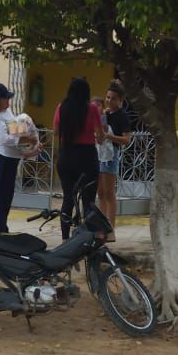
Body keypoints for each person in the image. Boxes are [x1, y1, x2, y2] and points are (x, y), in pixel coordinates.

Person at [53, 77, 104, 239]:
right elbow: (100, 135)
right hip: (87, 157)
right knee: (88, 201)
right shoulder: (93, 109)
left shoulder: (61, 108)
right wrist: (100, 137)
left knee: (68, 199)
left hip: (66, 155)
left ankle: (65, 239)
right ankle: (88, 238)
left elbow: (55, 131)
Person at [0, 82, 35, 233]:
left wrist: (27, 137)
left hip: (12, 159)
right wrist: (24, 139)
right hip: (2, 159)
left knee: (8, 196)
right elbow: (5, 139)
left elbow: (15, 131)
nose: (8, 101)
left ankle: (2, 227)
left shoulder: (7, 113)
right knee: (1, 196)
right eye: (5, 98)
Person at [96, 80, 131, 242]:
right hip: (99, 154)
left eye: (113, 99)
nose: (110, 101)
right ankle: (101, 227)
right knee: (101, 193)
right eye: (108, 97)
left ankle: (111, 229)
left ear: (120, 101)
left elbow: (126, 139)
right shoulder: (105, 114)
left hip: (111, 156)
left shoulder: (122, 116)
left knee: (109, 194)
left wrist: (109, 136)